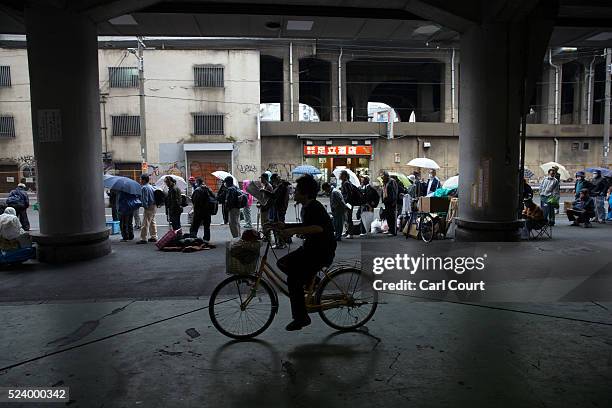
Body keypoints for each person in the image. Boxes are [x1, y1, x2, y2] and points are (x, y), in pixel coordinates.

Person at [274, 174, 337, 331]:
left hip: (321, 251)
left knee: (293, 280)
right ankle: (311, 280)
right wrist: (285, 226)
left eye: (297, 191)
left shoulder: (315, 207)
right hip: (311, 248)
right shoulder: (307, 207)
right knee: (282, 263)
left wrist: (292, 230)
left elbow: (318, 228)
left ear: (305, 193)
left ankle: (301, 318)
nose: (294, 194)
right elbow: (306, 225)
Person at [264, 173, 290, 248]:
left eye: (273, 181)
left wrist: (264, 191)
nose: (273, 183)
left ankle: (280, 243)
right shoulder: (284, 185)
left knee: (278, 225)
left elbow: (274, 195)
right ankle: (281, 242)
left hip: (279, 208)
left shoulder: (281, 186)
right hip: (282, 207)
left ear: (276, 179)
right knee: (280, 224)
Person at [190, 178, 215, 243]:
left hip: (199, 211)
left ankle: (193, 237)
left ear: (197, 182)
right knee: (207, 226)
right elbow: (214, 197)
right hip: (207, 210)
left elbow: (194, 200)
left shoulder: (197, 190)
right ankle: (206, 239)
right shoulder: (208, 189)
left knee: (195, 225)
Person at [138, 174, 158, 244]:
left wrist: (144, 206)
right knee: (152, 221)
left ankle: (143, 238)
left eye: (140, 179)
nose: (140, 180)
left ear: (143, 180)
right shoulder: (151, 186)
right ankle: (154, 236)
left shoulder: (144, 188)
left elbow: (145, 199)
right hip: (154, 205)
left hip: (149, 206)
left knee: (145, 223)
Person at [339, 170, 355, 239]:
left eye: (341, 175)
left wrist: (345, 202)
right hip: (347, 202)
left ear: (344, 176)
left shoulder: (346, 183)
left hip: (348, 203)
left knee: (348, 218)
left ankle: (350, 233)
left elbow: (349, 194)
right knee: (346, 217)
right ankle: (347, 231)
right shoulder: (345, 183)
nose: (340, 176)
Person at [381, 171, 398, 236]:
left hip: (391, 202)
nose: (382, 178)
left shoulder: (391, 182)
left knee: (392, 217)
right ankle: (390, 229)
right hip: (386, 202)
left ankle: (393, 231)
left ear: (386, 176)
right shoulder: (384, 183)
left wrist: (394, 201)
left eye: (383, 177)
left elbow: (395, 191)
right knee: (388, 216)